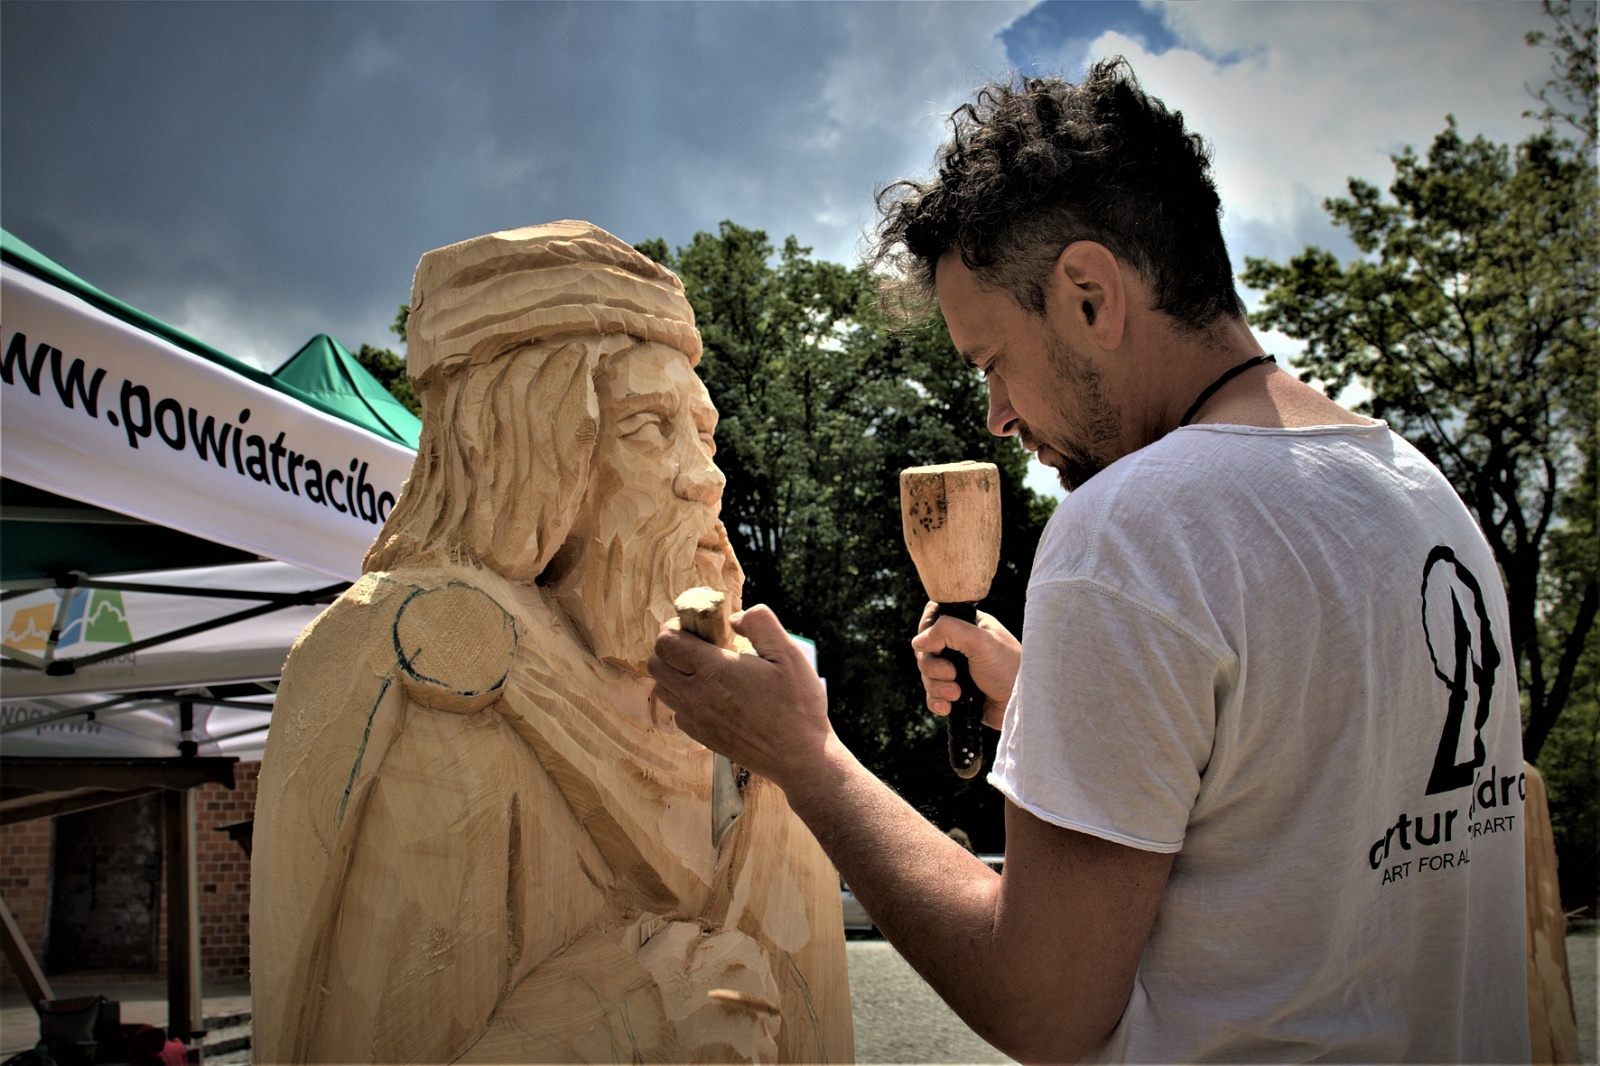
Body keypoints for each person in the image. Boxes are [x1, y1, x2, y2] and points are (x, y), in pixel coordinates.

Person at [649, 61, 1529, 1063]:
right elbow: (1301, 809)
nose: (998, 415)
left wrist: (805, 757)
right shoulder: (1416, 492)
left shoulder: (1134, 527)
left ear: (1087, 295)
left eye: (992, 363)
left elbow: (1040, 1004)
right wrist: (1048, 701)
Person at [251, 222, 853, 1065]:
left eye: (702, 433)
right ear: (531, 454)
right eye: (649, 428)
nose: (706, 476)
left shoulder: (745, 719)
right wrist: (619, 1022)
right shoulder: (441, 674)